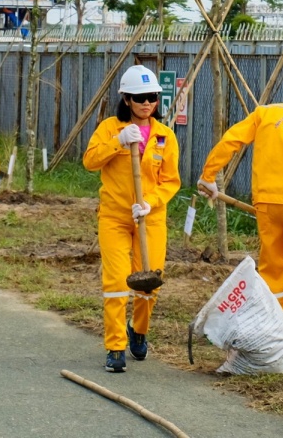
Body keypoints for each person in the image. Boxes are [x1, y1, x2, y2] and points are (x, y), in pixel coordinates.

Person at [196, 67, 283, 333]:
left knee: (273, 263)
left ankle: (278, 320)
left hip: (267, 203)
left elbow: (231, 140)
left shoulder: (266, 113)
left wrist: (209, 174)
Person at [82, 65, 181, 374]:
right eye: (139, 98)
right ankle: (114, 347)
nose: (146, 103)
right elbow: (89, 161)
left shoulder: (166, 136)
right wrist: (119, 142)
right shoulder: (110, 128)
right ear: (125, 99)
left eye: (151, 97)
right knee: (115, 283)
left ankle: (138, 329)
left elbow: (171, 181)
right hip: (114, 217)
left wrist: (150, 204)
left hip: (150, 219)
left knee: (149, 284)